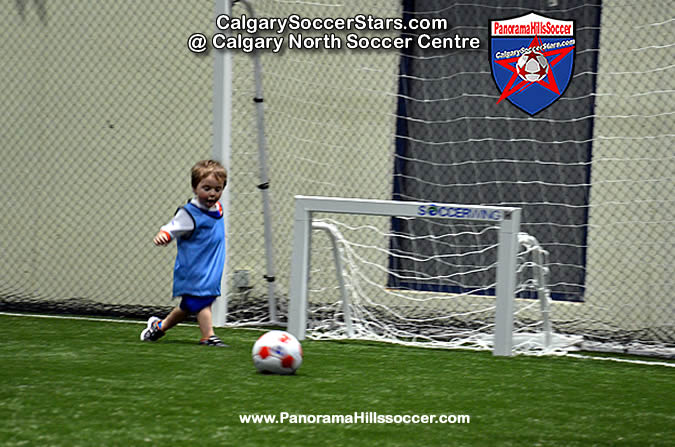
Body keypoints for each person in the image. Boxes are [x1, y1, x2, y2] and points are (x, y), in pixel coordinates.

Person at [140, 159, 228, 347]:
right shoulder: (189, 213)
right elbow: (172, 227)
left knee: (188, 307)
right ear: (195, 188)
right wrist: (164, 235)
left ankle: (159, 327)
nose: (212, 194)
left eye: (217, 189)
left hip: (210, 268)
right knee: (202, 301)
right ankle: (208, 336)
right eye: (206, 188)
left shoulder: (217, 209)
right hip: (193, 269)